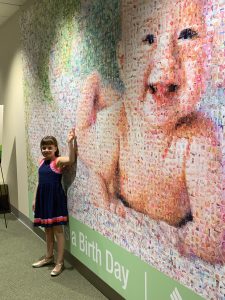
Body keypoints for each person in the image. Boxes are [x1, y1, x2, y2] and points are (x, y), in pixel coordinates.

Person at [75, 0, 225, 264]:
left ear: (212, 56)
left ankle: (104, 93)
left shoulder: (199, 137)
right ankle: (94, 88)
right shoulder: (119, 123)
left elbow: (215, 239)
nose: (167, 59)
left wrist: (180, 239)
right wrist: (106, 202)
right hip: (110, 125)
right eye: (148, 38)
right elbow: (94, 175)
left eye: (187, 35)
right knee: (85, 136)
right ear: (123, 61)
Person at [32, 128, 77, 276]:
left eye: (49, 147)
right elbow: (39, 182)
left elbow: (71, 159)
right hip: (43, 200)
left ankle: (59, 262)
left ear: (55, 148)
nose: (46, 150)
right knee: (47, 230)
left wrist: (71, 142)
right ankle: (48, 257)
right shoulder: (41, 162)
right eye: (43, 147)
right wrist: (35, 199)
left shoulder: (57, 162)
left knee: (58, 230)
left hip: (55, 199)